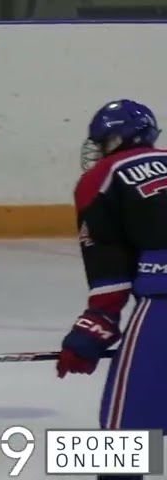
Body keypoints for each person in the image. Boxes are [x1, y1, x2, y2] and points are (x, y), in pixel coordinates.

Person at [58, 98, 167, 463]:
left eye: (103, 142)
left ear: (120, 139)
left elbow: (109, 267)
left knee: (123, 444)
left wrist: (94, 329)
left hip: (163, 308)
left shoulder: (102, 177)